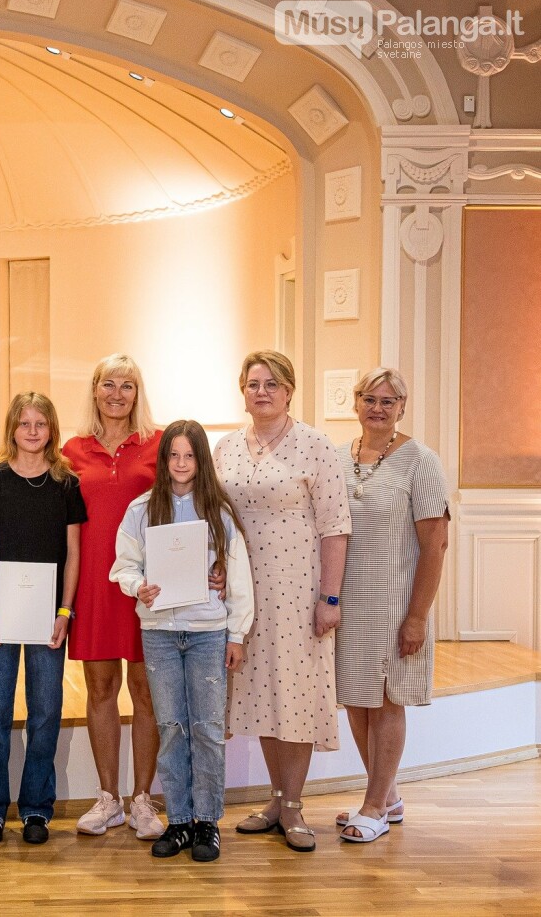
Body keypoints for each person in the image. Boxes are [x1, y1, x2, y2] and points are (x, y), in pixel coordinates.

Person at [215, 350, 350, 853]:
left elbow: (336, 527)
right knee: (261, 693)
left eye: (272, 383)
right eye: (253, 383)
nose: (262, 391)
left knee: (293, 693)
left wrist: (329, 597)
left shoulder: (316, 446)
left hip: (298, 588)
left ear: (290, 391)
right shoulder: (226, 447)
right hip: (242, 592)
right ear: (243, 391)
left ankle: (293, 806)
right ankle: (276, 797)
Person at [110, 420, 254, 863]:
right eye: (173, 455)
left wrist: (237, 633)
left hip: (208, 633)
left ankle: (208, 822)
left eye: (189, 456)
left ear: (201, 460)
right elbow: (123, 566)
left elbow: (239, 576)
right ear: (163, 459)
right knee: (170, 727)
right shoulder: (141, 509)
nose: (180, 463)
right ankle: (179, 820)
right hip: (159, 634)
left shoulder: (218, 513)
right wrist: (140, 587)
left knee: (208, 728)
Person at [0, 393, 85, 846]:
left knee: (46, 712)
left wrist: (65, 612)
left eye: (40, 423)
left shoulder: (66, 484)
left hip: (48, 620)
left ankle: (36, 807)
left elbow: (73, 556)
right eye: (24, 423)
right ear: (12, 429)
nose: (32, 431)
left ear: (51, 429)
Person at [333, 368, 449, 844]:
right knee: (358, 702)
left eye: (388, 400)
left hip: (396, 601)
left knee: (385, 701)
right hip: (350, 602)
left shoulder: (421, 461)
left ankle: (375, 804)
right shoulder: (339, 457)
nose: (377, 407)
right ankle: (389, 794)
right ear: (355, 403)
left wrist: (417, 615)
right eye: (369, 398)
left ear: (402, 407)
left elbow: (436, 543)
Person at [59, 354, 165, 840]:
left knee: (146, 694)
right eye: (108, 384)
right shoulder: (72, 450)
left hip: (147, 586)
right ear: (95, 390)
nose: (117, 394)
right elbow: (47, 515)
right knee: (100, 691)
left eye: (127, 385)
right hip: (94, 586)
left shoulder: (160, 444)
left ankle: (142, 799)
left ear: (137, 393)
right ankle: (108, 798)